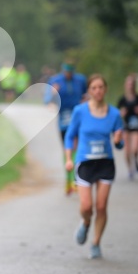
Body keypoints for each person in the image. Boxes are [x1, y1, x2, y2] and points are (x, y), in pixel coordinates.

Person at [64, 74, 123, 259]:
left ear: (105, 90)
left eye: (101, 87)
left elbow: (119, 143)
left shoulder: (114, 114)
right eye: (94, 88)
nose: (98, 91)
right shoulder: (80, 111)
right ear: (89, 91)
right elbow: (70, 135)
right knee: (87, 206)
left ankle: (96, 243)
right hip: (85, 163)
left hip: (105, 163)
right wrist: (68, 158)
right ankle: (86, 222)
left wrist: (119, 141)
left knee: (102, 206)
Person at [45, 60, 88, 195]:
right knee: (66, 149)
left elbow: (87, 95)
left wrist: (85, 101)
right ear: (62, 70)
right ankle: (68, 180)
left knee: (76, 147)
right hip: (63, 118)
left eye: (70, 71)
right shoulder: (55, 80)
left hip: (77, 117)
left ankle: (75, 179)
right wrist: (53, 93)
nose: (68, 74)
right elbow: (47, 101)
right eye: (66, 71)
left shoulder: (80, 80)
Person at [117, 74, 138, 179]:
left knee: (135, 149)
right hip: (125, 126)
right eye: (128, 83)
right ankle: (130, 169)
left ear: (134, 85)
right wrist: (121, 113)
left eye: (132, 84)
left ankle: (136, 160)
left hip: (136, 126)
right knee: (127, 152)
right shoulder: (122, 99)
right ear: (125, 85)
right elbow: (117, 112)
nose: (130, 86)